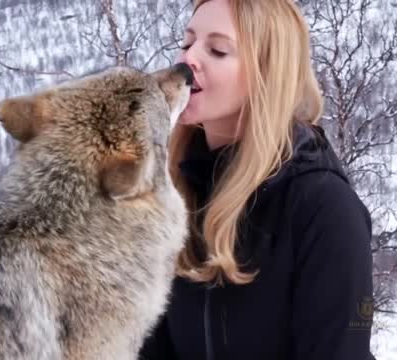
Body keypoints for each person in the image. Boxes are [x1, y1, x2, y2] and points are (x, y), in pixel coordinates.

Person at [138, 0, 375, 359]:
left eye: (217, 50)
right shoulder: (175, 194)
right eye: (187, 43)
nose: (187, 60)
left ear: (268, 73)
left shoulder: (324, 209)